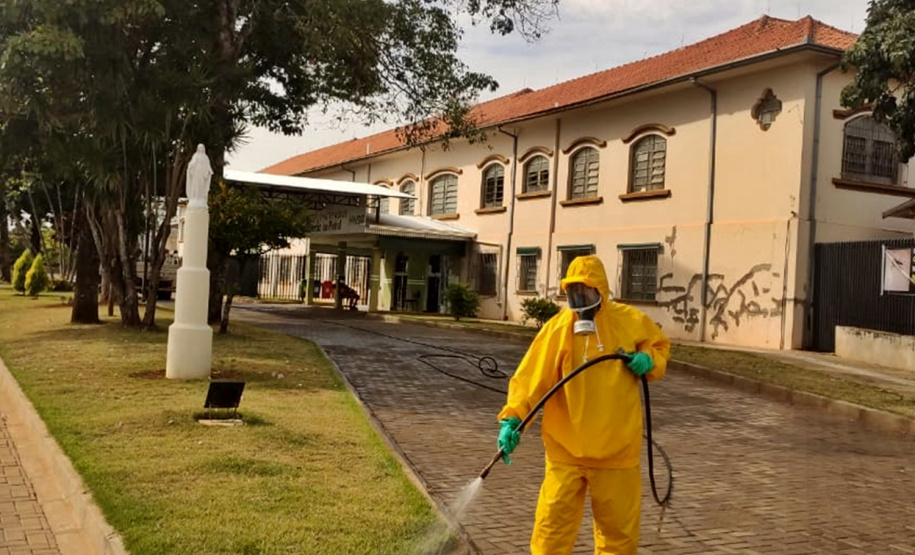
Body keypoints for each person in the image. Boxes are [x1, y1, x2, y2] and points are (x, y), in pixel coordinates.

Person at [496, 254, 670, 555]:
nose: (579, 300)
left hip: (616, 452)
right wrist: (513, 419)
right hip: (566, 450)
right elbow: (531, 378)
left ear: (600, 290)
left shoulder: (629, 321)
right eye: (573, 292)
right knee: (551, 532)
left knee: (618, 536)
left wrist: (649, 360)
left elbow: (659, 346)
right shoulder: (557, 330)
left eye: (585, 292)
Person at [186, 143, 213, 208]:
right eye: (200, 148)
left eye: (202, 148)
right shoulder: (195, 156)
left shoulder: (206, 157)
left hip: (202, 174)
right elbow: (192, 163)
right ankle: (195, 197)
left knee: (201, 186)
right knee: (195, 185)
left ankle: (201, 198)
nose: (201, 149)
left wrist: (209, 171)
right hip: (196, 173)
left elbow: (208, 165)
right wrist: (190, 167)